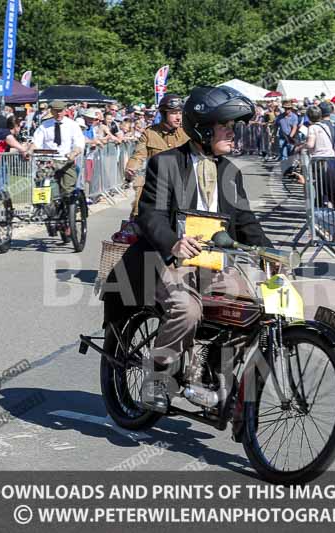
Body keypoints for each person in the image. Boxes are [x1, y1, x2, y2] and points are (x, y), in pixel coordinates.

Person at [102, 86, 272, 412]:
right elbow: (149, 215)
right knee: (187, 308)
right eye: (226, 127)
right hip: (166, 260)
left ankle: (205, 374)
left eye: (233, 127)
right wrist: (174, 242)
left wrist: (272, 253)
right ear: (203, 129)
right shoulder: (166, 163)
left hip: (213, 264)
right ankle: (157, 376)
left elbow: (247, 223)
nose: (232, 134)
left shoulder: (230, 172)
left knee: (251, 308)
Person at [124, 94, 189, 218]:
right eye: (174, 113)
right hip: (156, 183)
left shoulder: (187, 133)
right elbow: (138, 155)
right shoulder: (149, 133)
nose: (178, 117)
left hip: (183, 183)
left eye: (180, 113)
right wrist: (130, 169)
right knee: (138, 212)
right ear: (164, 114)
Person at [30, 99, 85, 235]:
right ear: (51, 110)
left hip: (66, 162)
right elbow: (35, 143)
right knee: (42, 186)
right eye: (55, 110)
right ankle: (48, 214)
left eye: (60, 110)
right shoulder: (44, 126)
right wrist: (30, 150)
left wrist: (74, 153)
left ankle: (67, 219)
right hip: (48, 162)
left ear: (65, 110)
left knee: (67, 192)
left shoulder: (73, 125)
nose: (58, 113)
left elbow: (79, 143)